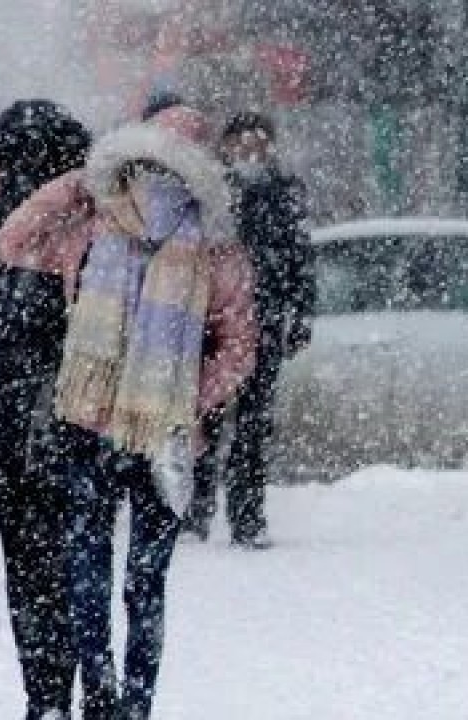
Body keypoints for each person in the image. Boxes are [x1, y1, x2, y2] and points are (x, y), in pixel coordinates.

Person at [0, 106, 257, 720]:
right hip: (158, 437)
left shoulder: (95, 226)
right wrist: (187, 398)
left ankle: (104, 697)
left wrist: (80, 183)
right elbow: (240, 348)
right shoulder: (213, 249)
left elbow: (12, 238)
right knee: (143, 583)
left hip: (95, 427)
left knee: (92, 572)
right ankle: (131, 705)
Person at [0, 100, 92, 720]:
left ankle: (49, 695)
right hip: (63, 421)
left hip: (21, 421)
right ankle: (71, 690)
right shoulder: (88, 218)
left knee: (33, 568)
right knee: (67, 564)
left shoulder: (20, 234)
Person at [182, 111, 315, 546]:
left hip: (265, 322)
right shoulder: (211, 193)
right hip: (215, 324)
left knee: (254, 426)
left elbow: (301, 258)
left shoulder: (284, 194)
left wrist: (300, 314)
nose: (250, 152)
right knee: (207, 417)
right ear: (227, 146)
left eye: (258, 144)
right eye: (242, 144)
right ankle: (196, 511)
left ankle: (248, 518)